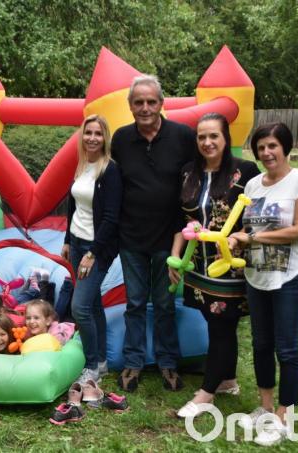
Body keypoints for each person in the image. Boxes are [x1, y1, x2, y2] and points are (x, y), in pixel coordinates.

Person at [228, 122, 298, 447]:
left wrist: (253, 237)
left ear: (285, 147)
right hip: (256, 276)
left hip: (289, 277)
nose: (267, 152)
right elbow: (244, 227)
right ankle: (265, 407)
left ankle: (284, 416)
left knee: (288, 348)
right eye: (261, 147)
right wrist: (238, 241)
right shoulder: (252, 185)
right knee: (261, 344)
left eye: (272, 146)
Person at [169, 113, 260, 418]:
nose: (207, 142)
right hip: (197, 264)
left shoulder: (245, 171)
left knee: (222, 325)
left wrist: (242, 237)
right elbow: (180, 220)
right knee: (215, 322)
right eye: (202, 137)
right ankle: (228, 380)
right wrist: (176, 260)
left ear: (225, 139)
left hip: (228, 266)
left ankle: (206, 394)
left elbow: (259, 218)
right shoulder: (187, 173)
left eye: (214, 136)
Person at [112, 74, 196, 392]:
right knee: (134, 303)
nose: (145, 107)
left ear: (162, 104)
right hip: (131, 237)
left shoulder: (183, 136)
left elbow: (198, 177)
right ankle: (133, 363)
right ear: (130, 106)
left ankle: (168, 363)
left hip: (170, 238)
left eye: (151, 101)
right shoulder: (120, 139)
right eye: (138, 102)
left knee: (164, 304)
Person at [61, 114, 122, 384]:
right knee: (93, 303)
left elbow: (111, 217)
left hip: (94, 248)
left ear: (105, 138)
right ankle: (102, 362)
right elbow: (73, 206)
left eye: (98, 133)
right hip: (76, 242)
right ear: (82, 136)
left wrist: (92, 253)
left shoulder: (110, 170)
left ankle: (91, 366)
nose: (92, 138)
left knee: (80, 307)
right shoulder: (83, 164)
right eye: (88, 133)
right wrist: (66, 239)